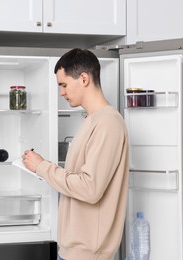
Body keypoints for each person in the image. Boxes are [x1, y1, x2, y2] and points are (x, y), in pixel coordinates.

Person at [22, 48, 129, 260]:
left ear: (84, 78)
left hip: (89, 254)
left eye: (64, 84)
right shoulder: (92, 119)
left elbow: (90, 188)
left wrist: (43, 167)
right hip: (76, 251)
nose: (61, 92)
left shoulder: (108, 122)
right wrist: (44, 166)